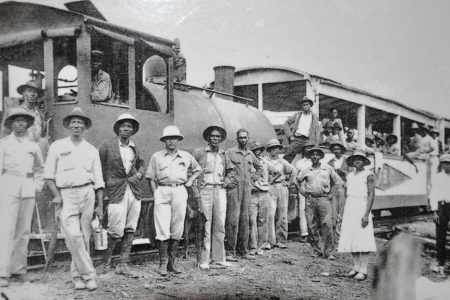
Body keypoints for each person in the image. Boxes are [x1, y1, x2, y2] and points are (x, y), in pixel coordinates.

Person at [44, 107, 104, 291]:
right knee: (73, 237)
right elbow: (48, 176)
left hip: (87, 193)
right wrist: (56, 195)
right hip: (66, 195)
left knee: (85, 237)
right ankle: (89, 275)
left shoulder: (91, 150)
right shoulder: (57, 147)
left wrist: (100, 205)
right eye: (73, 122)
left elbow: (99, 180)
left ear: (85, 127)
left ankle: (77, 277)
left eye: (80, 123)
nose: (76, 126)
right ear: (69, 125)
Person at [145, 125, 201, 276]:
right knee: (162, 227)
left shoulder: (186, 156)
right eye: (168, 138)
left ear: (178, 140)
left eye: (174, 138)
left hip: (179, 190)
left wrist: (190, 181)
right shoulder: (157, 156)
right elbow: (150, 177)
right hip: (162, 190)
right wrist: (156, 193)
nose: (171, 141)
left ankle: (172, 263)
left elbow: (198, 169)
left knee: (177, 227)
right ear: (164, 140)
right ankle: (163, 263)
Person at [0, 108, 44, 288]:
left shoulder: (33, 146)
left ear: (27, 124)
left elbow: (40, 169)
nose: (20, 124)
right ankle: (3, 273)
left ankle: (18, 270)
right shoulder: (3, 144)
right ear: (10, 124)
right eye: (16, 120)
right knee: (5, 230)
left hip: (27, 188)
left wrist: (37, 187)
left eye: (23, 121)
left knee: (23, 231)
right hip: (7, 186)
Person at [98, 114, 145, 278]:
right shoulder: (107, 146)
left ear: (133, 130)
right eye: (124, 126)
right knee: (114, 228)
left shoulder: (134, 147)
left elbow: (142, 164)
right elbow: (100, 168)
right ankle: (106, 263)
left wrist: (139, 175)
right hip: (115, 190)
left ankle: (123, 264)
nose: (126, 129)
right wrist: (105, 189)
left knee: (130, 227)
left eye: (130, 127)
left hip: (133, 190)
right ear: (118, 128)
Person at [192, 125, 236, 270]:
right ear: (208, 138)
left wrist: (228, 181)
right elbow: (191, 172)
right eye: (213, 136)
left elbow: (231, 170)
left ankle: (219, 258)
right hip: (205, 190)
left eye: (218, 137)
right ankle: (203, 260)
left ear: (221, 139)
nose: (215, 139)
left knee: (220, 224)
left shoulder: (224, 154)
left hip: (220, 190)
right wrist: (196, 191)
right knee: (206, 225)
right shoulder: (199, 152)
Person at [296, 147, 343, 259]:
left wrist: (331, 194)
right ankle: (316, 250)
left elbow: (338, 182)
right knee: (311, 225)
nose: (315, 156)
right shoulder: (306, 170)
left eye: (317, 154)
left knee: (326, 224)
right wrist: (302, 192)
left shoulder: (327, 168)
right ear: (310, 157)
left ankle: (329, 252)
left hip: (324, 199)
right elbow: (297, 181)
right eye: (313, 154)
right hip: (310, 200)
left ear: (321, 156)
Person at [337, 150, 376, 281]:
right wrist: (341, 213)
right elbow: (346, 194)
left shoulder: (369, 174)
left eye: (360, 159)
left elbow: (371, 194)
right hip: (350, 206)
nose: (357, 161)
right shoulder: (350, 175)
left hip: (362, 205)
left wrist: (366, 214)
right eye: (355, 159)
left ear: (364, 161)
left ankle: (364, 269)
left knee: (362, 236)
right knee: (351, 236)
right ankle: (356, 266)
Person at [225, 128, 263, 261]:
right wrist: (227, 181)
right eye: (240, 137)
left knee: (245, 220)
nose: (243, 140)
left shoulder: (250, 154)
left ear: (248, 138)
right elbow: (222, 168)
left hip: (247, 189)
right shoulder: (229, 152)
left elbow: (260, 168)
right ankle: (230, 251)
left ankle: (243, 251)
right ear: (237, 139)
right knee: (232, 220)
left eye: (245, 137)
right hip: (234, 189)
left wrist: (254, 178)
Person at [0, 79, 49, 156]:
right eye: (29, 91)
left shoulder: (40, 114)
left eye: (35, 92)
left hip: (38, 153)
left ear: (38, 95)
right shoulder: (13, 111)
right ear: (23, 93)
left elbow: (43, 134)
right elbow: (4, 134)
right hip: (20, 152)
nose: (32, 94)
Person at [266, 139, 297, 249]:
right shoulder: (265, 161)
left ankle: (281, 239)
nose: (275, 150)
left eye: (276, 148)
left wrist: (288, 183)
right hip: (270, 187)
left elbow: (294, 171)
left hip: (281, 187)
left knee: (282, 214)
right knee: (270, 214)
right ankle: (270, 240)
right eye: (272, 148)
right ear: (269, 150)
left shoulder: (282, 162)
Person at [248, 142, 273, 255]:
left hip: (264, 193)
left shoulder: (265, 162)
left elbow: (277, 172)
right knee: (252, 220)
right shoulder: (248, 162)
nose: (257, 151)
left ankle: (261, 245)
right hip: (252, 193)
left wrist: (269, 183)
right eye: (254, 149)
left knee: (263, 220)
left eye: (259, 149)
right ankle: (253, 246)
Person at [282, 96, 321, 163]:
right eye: (304, 105)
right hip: (297, 139)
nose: (305, 106)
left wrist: (316, 145)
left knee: (307, 159)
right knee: (288, 155)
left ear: (310, 105)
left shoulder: (314, 117)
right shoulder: (297, 115)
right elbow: (286, 124)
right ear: (302, 106)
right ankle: (285, 171)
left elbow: (317, 132)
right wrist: (290, 135)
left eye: (307, 105)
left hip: (309, 141)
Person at [429, 154, 450, 276]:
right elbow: (434, 194)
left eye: (449, 163)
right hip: (441, 207)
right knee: (440, 237)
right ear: (441, 164)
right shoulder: (437, 177)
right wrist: (435, 211)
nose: (447, 166)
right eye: (445, 163)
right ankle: (440, 264)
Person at [328, 141, 349, 241]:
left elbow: (351, 174)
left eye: (338, 149)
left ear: (342, 150)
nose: (337, 151)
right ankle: (334, 236)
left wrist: (342, 171)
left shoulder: (347, 161)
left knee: (343, 210)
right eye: (335, 149)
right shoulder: (330, 162)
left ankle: (342, 235)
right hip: (334, 188)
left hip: (343, 187)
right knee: (334, 211)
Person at [294, 141, 315, 241]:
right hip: (303, 188)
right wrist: (300, 189)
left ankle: (314, 234)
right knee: (303, 210)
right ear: (303, 150)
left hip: (314, 189)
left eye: (310, 147)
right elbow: (296, 177)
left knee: (315, 211)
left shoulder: (315, 161)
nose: (308, 150)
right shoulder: (299, 163)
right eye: (306, 148)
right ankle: (304, 233)